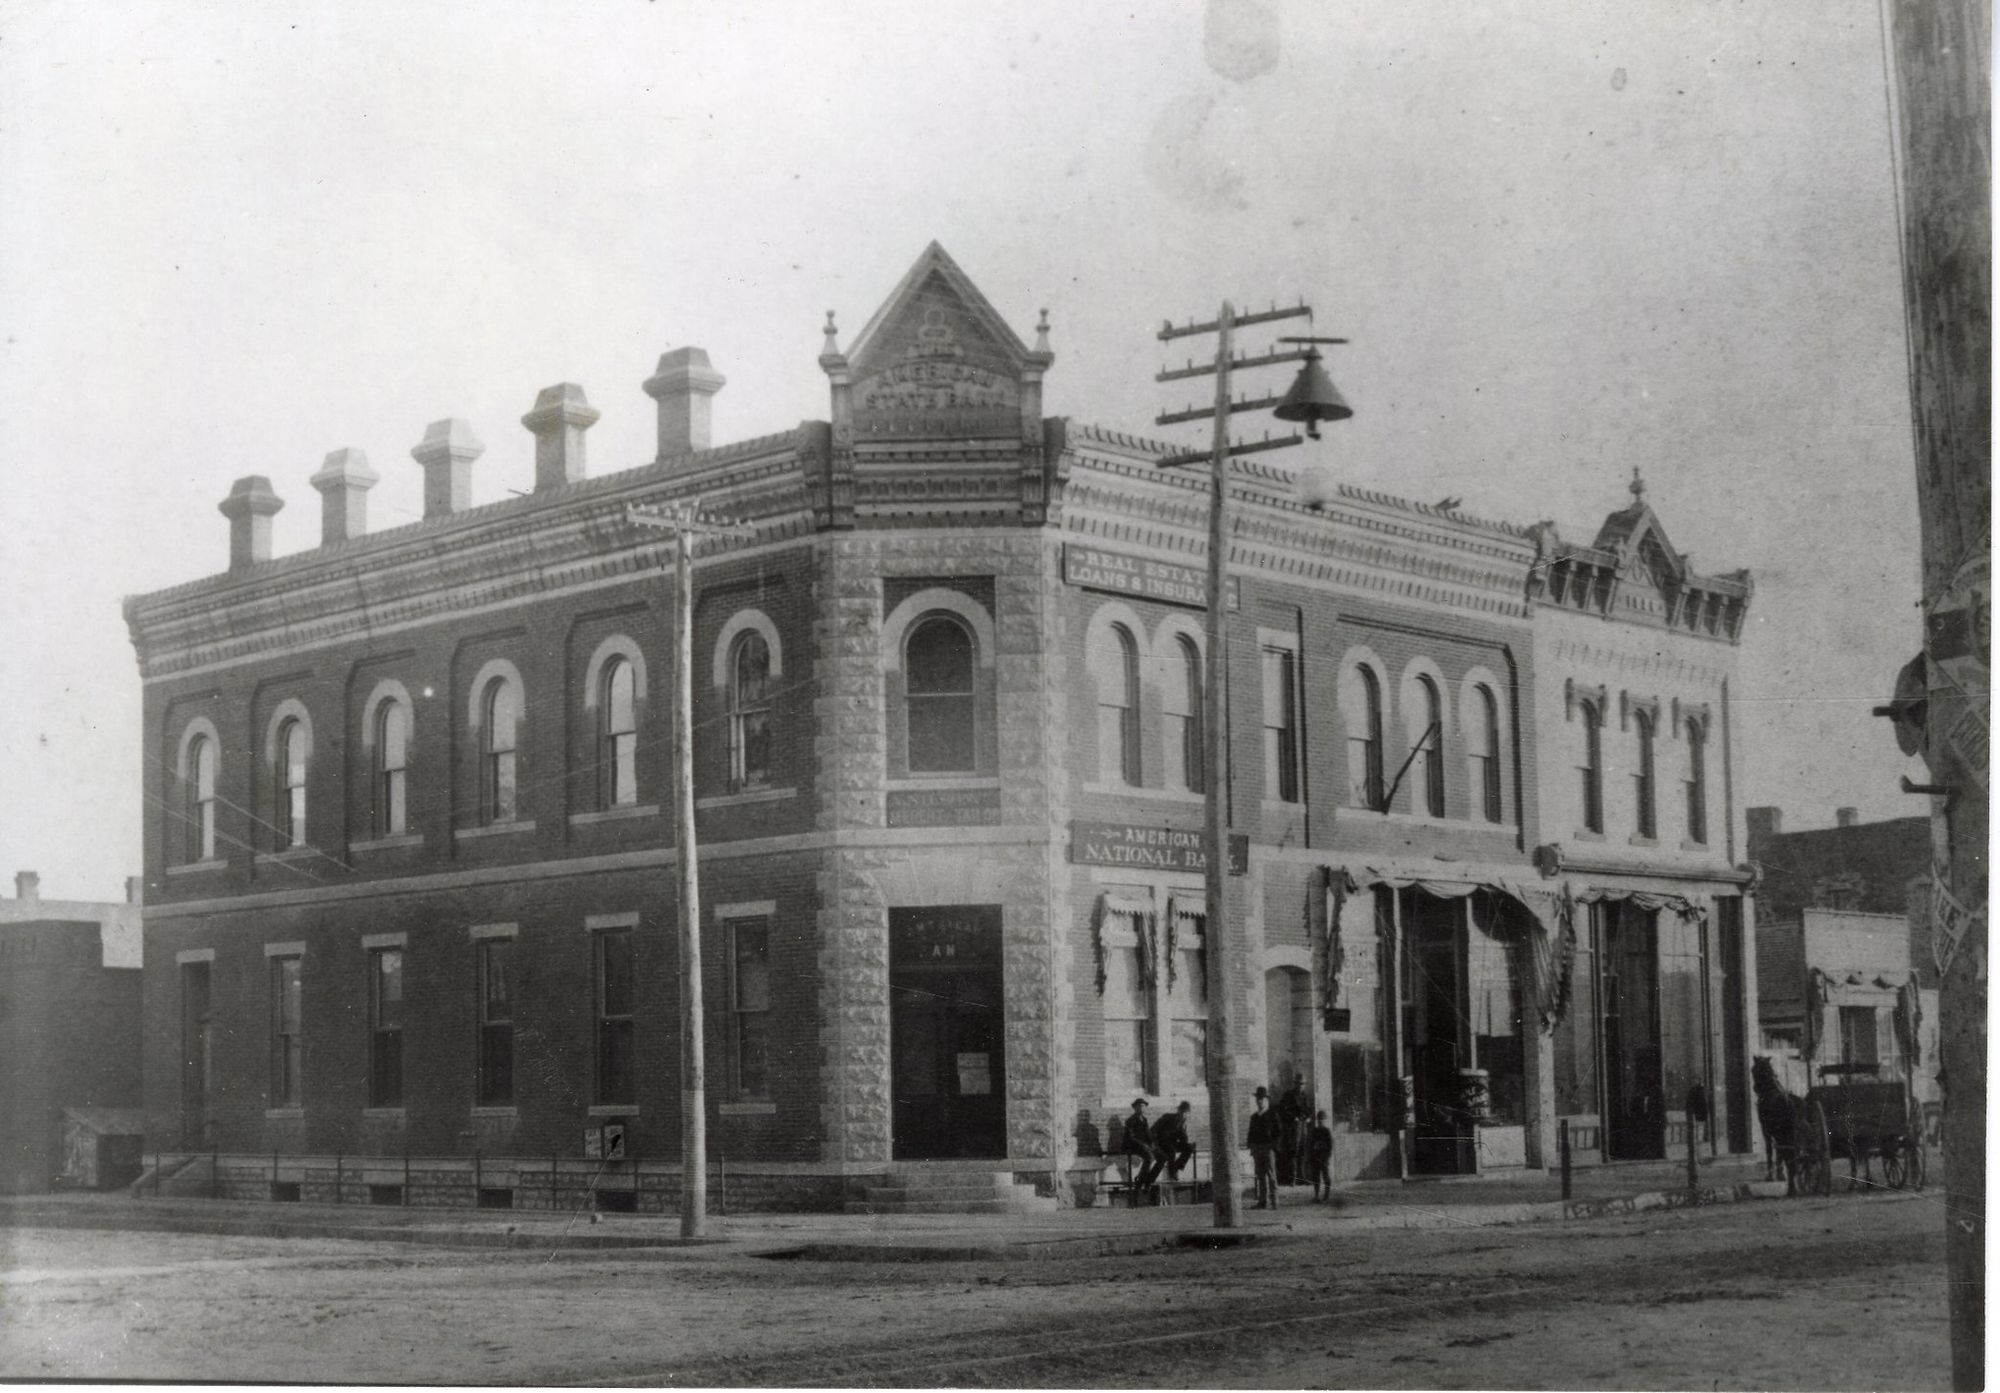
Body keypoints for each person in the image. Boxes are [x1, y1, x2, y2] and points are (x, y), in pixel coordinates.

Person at [1122, 1097, 1165, 1204]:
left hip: (1144, 1146)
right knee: (1149, 1158)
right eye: (1139, 1106)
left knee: (1163, 1157)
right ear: (1135, 1108)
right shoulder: (1130, 1121)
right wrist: (1144, 1145)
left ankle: (1148, 1181)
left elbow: (1148, 1135)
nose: (1141, 1108)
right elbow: (1131, 1137)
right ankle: (1140, 1183)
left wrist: (1153, 1144)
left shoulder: (1144, 1120)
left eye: (1143, 1106)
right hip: (1133, 1146)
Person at [1246, 1086, 1281, 1209]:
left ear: (1266, 1100)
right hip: (1257, 1149)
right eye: (1258, 1099)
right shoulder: (1254, 1117)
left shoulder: (1272, 1115)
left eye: (1262, 1099)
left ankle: (1274, 1201)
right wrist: (1251, 1147)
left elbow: (1278, 1132)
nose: (1259, 1101)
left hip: (1268, 1148)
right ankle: (1262, 1201)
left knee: (1271, 1175)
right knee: (1260, 1176)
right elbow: (1250, 1134)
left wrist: (1272, 1146)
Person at [1153, 1100, 1195, 1181]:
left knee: (1189, 1148)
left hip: (1173, 1143)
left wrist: (1183, 1129)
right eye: (1182, 1112)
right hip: (1162, 1142)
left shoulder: (1183, 1123)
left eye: (1185, 1113)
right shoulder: (1167, 1117)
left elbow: (1184, 1141)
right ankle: (1172, 1172)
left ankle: (1175, 1168)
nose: (1183, 1114)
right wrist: (1155, 1143)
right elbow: (1154, 1128)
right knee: (1171, 1151)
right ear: (1178, 1110)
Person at [1276, 1079, 1307, 1185]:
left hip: (1303, 1127)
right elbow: (1281, 1110)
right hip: (1292, 1128)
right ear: (1295, 1084)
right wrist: (1293, 1118)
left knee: (1302, 1151)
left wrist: (1308, 1117)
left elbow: (1307, 1109)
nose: (1300, 1086)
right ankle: (1292, 1178)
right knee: (1293, 1152)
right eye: (1299, 1084)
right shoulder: (1288, 1095)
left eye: (1302, 1084)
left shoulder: (1304, 1096)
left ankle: (1302, 1177)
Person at [1306, 1109, 1334, 1201]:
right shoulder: (1314, 1131)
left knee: (1326, 1176)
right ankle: (1316, 1195)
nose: (1321, 1121)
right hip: (1315, 1157)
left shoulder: (1327, 1131)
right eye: (1319, 1120)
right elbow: (1310, 1144)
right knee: (1316, 1177)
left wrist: (1327, 1156)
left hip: (1324, 1157)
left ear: (1325, 1120)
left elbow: (1330, 1146)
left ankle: (1326, 1195)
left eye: (1322, 1119)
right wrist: (1311, 1156)